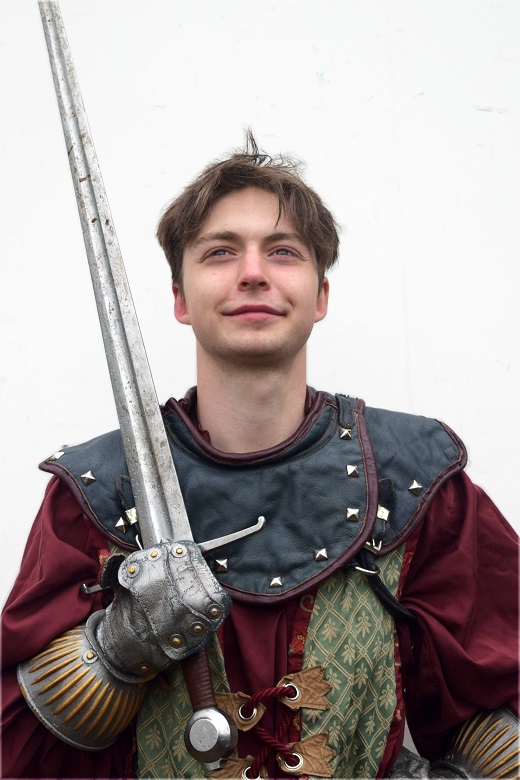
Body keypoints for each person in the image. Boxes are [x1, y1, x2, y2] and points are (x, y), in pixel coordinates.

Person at [1, 135, 518, 779]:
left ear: (321, 296)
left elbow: (502, 706)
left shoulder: (412, 482)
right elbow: (25, 748)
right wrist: (119, 644)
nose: (252, 272)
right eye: (220, 252)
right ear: (181, 300)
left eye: (282, 252)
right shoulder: (100, 495)